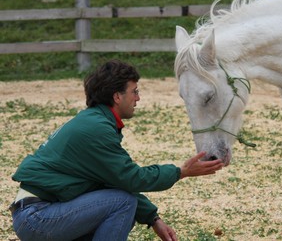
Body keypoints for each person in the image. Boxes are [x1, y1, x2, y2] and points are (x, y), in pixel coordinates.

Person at [9, 60, 224, 241]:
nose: (138, 98)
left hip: (39, 213)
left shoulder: (93, 122)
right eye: (134, 92)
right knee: (123, 203)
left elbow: (114, 181)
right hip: (37, 217)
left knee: (124, 206)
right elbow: (131, 179)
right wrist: (181, 171)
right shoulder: (96, 129)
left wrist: (153, 219)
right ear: (117, 96)